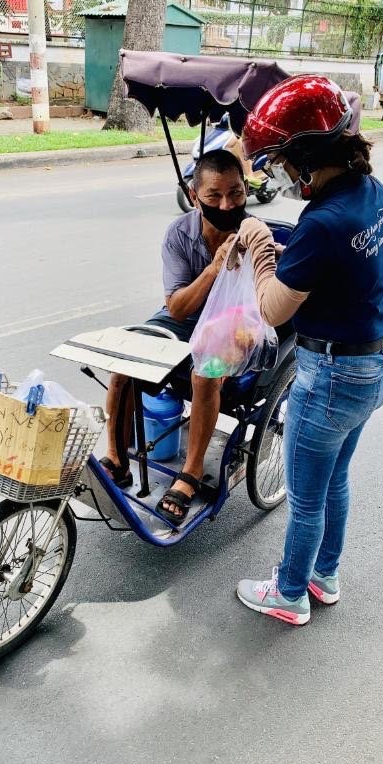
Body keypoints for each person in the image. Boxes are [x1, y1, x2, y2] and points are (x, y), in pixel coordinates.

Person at [234, 75, 383, 626]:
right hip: (375, 366)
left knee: (306, 499)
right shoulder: (369, 192)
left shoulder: (323, 222)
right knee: (336, 480)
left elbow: (274, 309)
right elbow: (337, 264)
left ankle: (289, 594)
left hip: (331, 377)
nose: (278, 171)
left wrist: (259, 246)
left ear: (305, 155)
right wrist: (289, 251)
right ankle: (324, 576)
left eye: (281, 159)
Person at [101, 149, 247, 523]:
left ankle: (192, 472)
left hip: (236, 321)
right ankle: (117, 459)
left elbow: (263, 305)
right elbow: (178, 307)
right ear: (195, 196)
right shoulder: (179, 234)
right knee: (125, 363)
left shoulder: (253, 233)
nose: (227, 204)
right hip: (183, 316)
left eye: (236, 193)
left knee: (205, 371)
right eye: (214, 196)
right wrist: (214, 269)